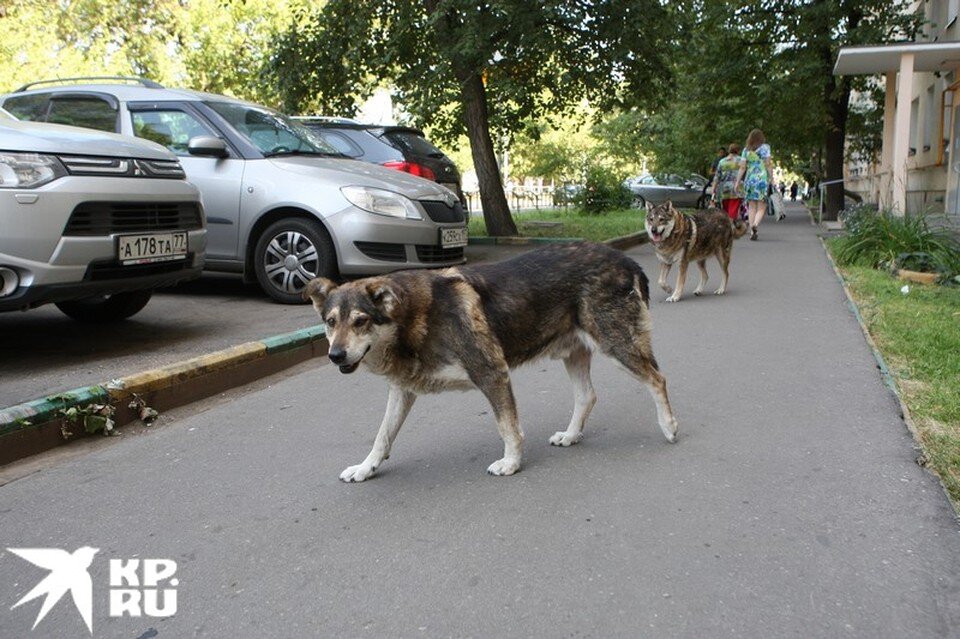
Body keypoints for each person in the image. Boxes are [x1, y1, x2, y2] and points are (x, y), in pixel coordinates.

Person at [735, 129, 776, 240]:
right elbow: (768, 164)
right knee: (762, 207)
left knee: (751, 206)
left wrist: (737, 182)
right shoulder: (765, 148)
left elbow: (742, 167)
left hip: (750, 180)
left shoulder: (746, 150)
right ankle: (755, 225)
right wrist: (772, 179)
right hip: (762, 180)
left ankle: (752, 232)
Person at [710, 143, 744, 220]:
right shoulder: (741, 160)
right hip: (737, 187)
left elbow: (717, 176)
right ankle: (731, 225)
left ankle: (727, 225)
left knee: (725, 209)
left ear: (729, 151)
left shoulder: (722, 161)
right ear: (738, 151)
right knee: (733, 208)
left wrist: (713, 188)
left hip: (724, 188)